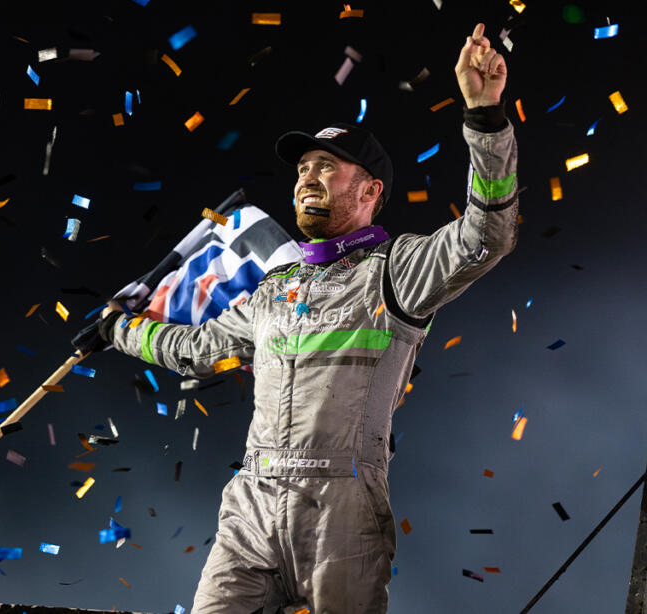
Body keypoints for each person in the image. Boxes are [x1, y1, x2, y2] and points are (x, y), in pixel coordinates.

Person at [98, 23, 516, 614]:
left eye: (326, 167)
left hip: (343, 506)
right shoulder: (275, 289)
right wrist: (119, 328)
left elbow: (486, 235)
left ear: (370, 191)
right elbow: (193, 346)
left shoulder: (397, 270)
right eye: (302, 169)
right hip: (252, 500)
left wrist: (484, 118)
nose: (306, 178)